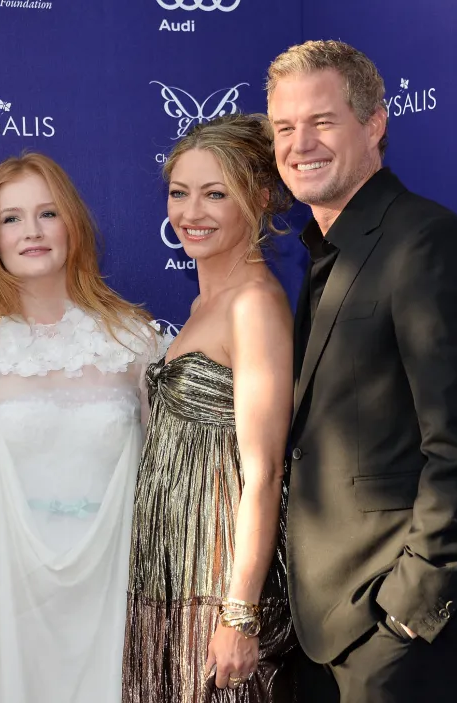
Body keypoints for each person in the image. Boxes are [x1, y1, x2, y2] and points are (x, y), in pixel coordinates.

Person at [265, 40, 457, 703]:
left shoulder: (426, 244)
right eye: (284, 128)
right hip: (322, 628)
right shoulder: (324, 254)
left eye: (321, 121)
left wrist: (406, 615)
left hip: (392, 639)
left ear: (374, 124)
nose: (299, 143)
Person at [0, 152, 168, 702]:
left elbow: (168, 476)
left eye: (47, 213)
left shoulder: (133, 341)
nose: (31, 232)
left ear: (73, 225)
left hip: (112, 600)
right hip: (3, 603)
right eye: (12, 218)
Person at [123, 114, 298, 702]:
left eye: (215, 193)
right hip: (171, 573)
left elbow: (265, 470)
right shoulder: (205, 303)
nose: (190, 212)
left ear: (261, 197)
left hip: (218, 584)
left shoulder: (254, 305)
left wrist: (239, 613)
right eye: (179, 193)